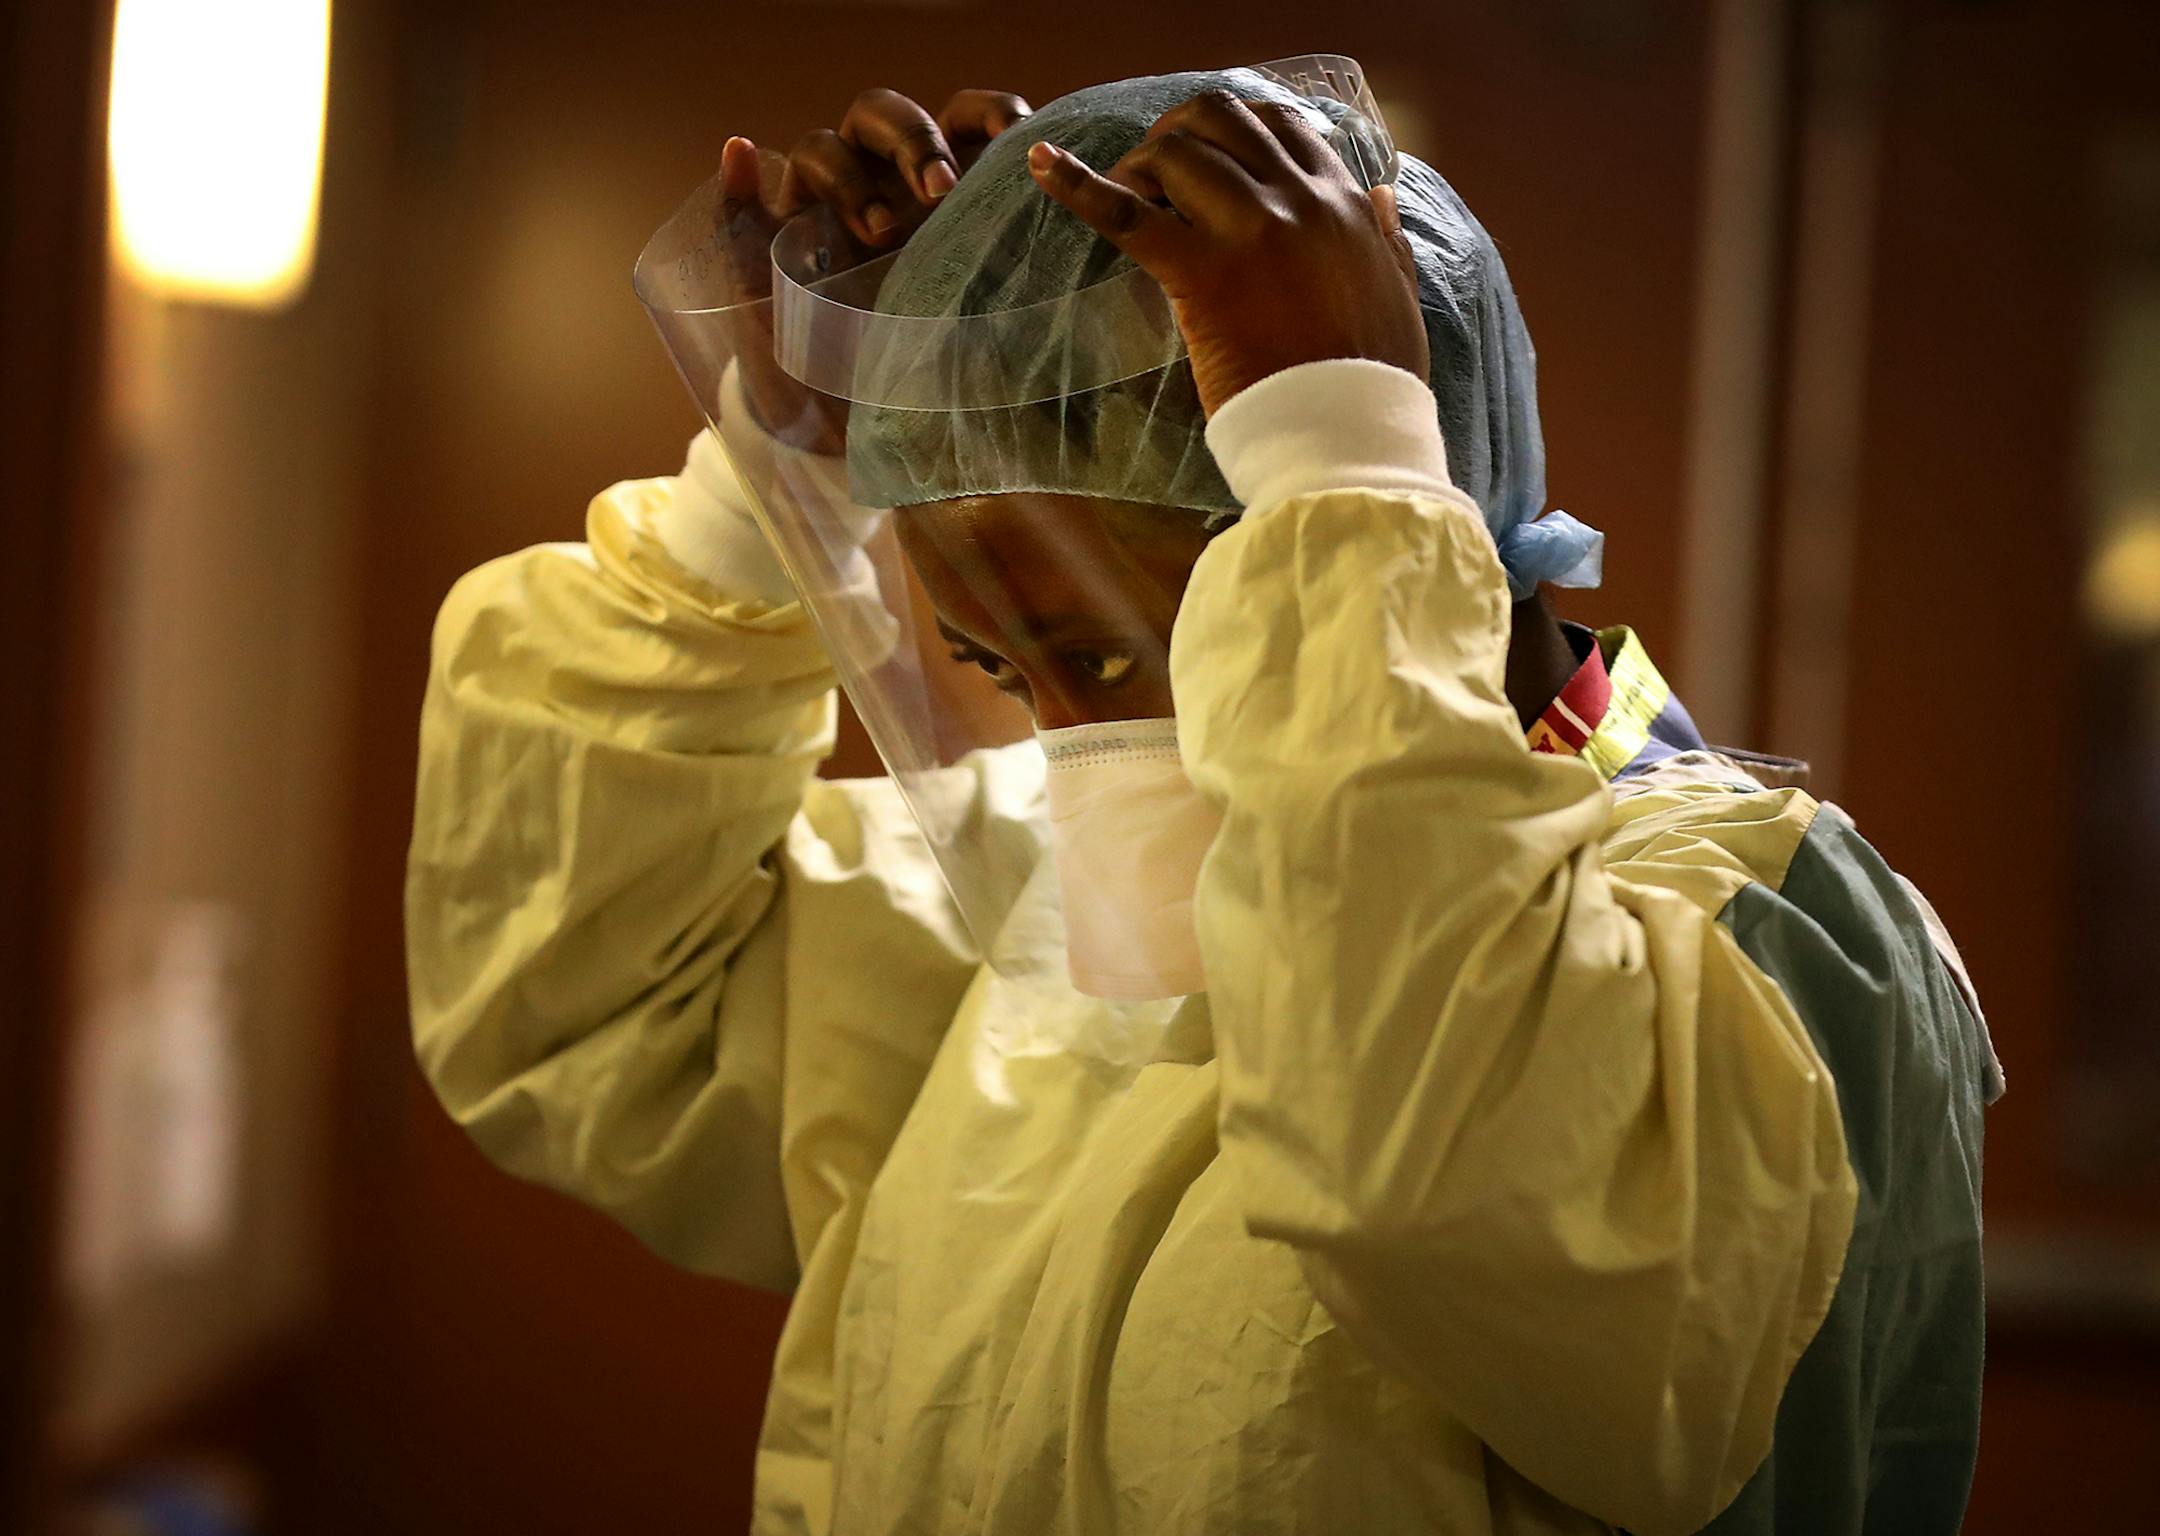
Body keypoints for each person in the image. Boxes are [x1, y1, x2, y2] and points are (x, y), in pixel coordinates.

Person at [405, 64, 2000, 1536]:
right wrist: (780, 473)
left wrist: (1335, 444)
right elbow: (591, 1009)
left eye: (1101, 658)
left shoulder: (1763, 935)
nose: (1058, 738)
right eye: (990, 661)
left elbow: (1416, 1159)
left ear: (1366, 528)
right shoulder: (1051, 889)